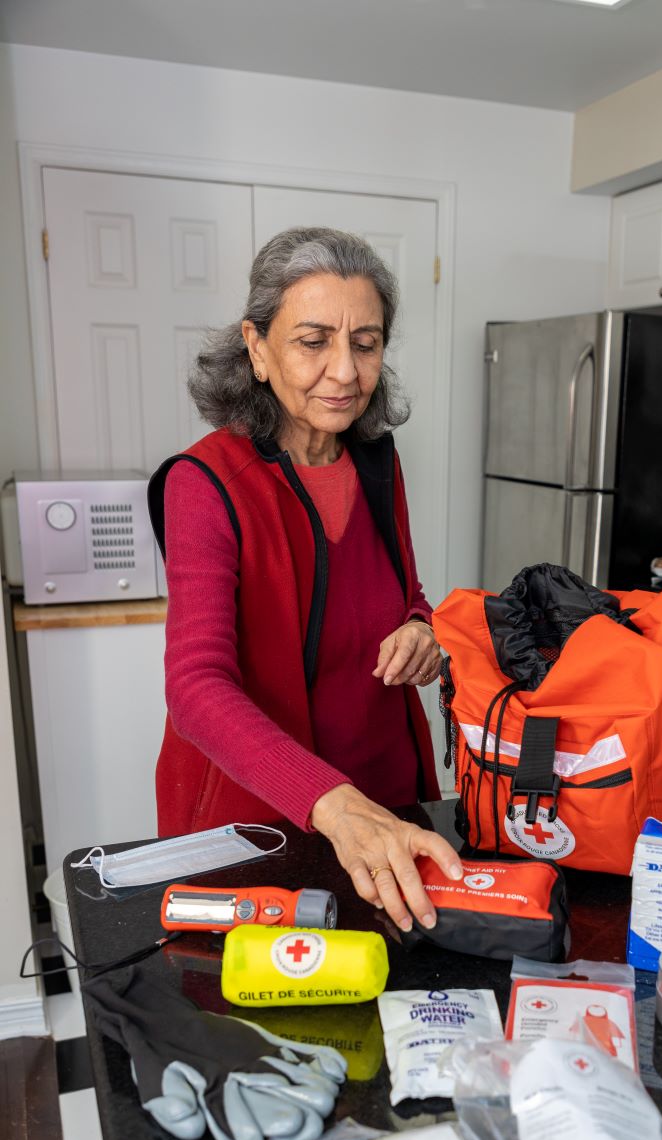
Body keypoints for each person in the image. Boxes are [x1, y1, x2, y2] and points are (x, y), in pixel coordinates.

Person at [148, 226, 462, 931]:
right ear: (257, 348)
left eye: (367, 342)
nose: (346, 371)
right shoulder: (203, 482)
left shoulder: (378, 459)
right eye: (313, 340)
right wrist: (331, 801)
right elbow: (195, 688)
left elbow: (405, 592)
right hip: (261, 817)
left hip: (385, 800)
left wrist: (422, 628)